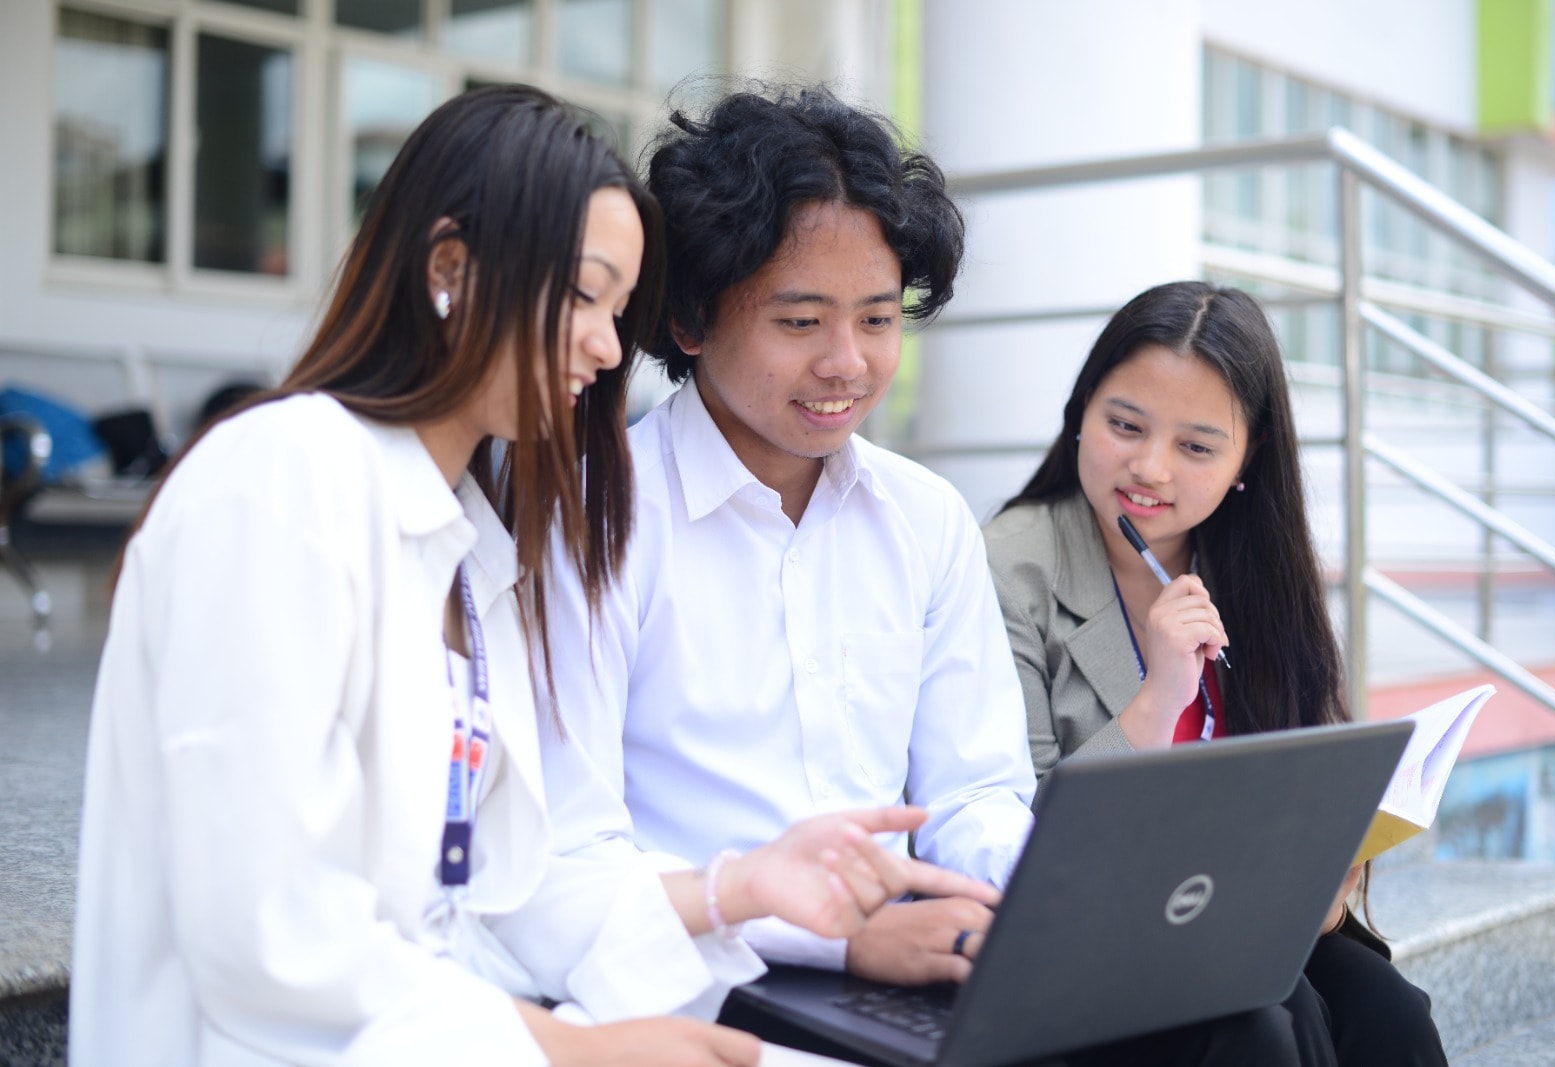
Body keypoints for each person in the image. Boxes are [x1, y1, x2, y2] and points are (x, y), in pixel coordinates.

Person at [69, 84, 997, 1067]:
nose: (607, 347)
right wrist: (573, 1046)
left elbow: (505, 895)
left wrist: (743, 888)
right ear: (450, 270)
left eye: (616, 305)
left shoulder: (469, 539)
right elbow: (271, 940)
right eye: (582, 296)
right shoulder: (278, 476)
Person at [540, 88, 1331, 1065]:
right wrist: (838, 933)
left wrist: (1033, 897)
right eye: (800, 320)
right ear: (692, 318)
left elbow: (973, 792)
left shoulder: (922, 518)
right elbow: (572, 854)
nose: (847, 361)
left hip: (913, 939)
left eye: (877, 318)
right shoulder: (592, 516)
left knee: (1255, 1015)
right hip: (706, 969)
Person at [984, 280, 1447, 1067]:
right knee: (1269, 1019)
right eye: (1125, 424)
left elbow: (1298, 780)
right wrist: (1159, 696)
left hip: (1232, 919)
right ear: (1081, 408)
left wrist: (1331, 861)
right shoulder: (1008, 567)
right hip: (1084, 943)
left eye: (1197, 446)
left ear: (1247, 457)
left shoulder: (1256, 570)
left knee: (1390, 1010)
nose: (1151, 467)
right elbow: (1011, 834)